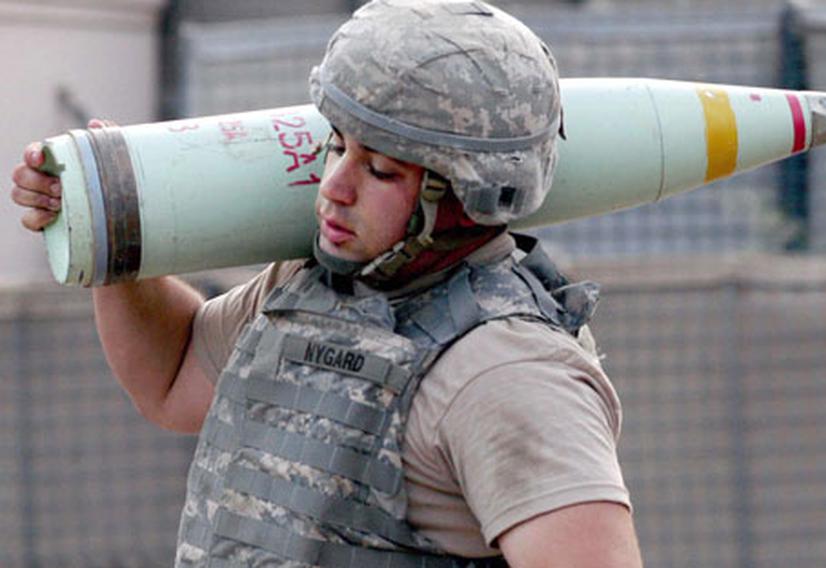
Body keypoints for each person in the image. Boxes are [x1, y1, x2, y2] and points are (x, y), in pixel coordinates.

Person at [10, 1, 642, 566]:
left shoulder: (508, 372)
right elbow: (173, 382)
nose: (335, 186)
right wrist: (112, 228)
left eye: (382, 171)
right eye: (338, 147)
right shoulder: (315, 287)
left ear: (467, 193)